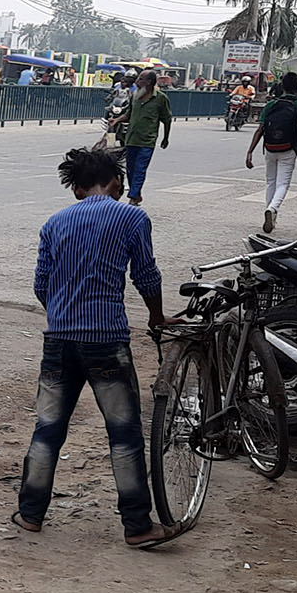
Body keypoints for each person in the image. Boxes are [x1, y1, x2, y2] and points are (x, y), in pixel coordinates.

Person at [14, 146, 183, 549]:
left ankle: (31, 513)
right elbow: (146, 275)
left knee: (48, 429)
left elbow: (42, 284)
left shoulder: (54, 223)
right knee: (123, 434)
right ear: (115, 182)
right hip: (106, 339)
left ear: (76, 189)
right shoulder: (132, 217)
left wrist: (62, 315)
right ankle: (138, 526)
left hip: (58, 340)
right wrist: (157, 317)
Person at [245, 71, 297, 234]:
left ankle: (270, 213)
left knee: (271, 182)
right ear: (296, 87)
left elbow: (260, 129)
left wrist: (250, 151)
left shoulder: (271, 105)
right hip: (288, 148)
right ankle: (273, 209)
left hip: (270, 147)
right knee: (283, 183)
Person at [117, 69, 171, 205]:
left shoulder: (160, 98)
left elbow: (167, 119)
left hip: (147, 141)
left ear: (149, 82)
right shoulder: (134, 96)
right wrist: (116, 120)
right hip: (131, 138)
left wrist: (166, 138)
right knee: (130, 168)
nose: (137, 81)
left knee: (140, 168)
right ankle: (136, 193)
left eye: (141, 79)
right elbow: (128, 114)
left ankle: (133, 196)